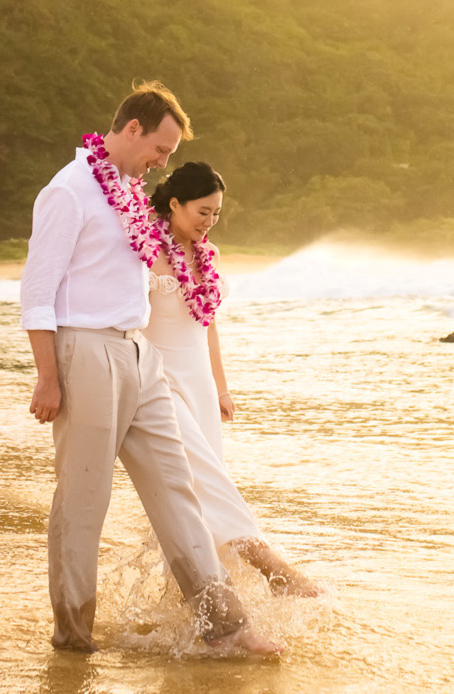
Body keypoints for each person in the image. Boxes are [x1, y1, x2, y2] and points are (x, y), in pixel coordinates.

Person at [20, 82, 281, 656]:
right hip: (85, 349)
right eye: (160, 148)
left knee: (177, 485)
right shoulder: (68, 192)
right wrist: (47, 376)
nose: (164, 161)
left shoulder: (132, 192)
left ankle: (226, 628)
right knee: (84, 501)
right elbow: (37, 291)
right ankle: (73, 634)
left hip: (139, 353)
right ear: (132, 128)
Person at [145, 161, 322, 596]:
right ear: (174, 204)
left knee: (200, 481)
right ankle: (270, 566)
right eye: (202, 212)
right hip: (157, 378)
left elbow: (208, 324)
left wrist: (221, 387)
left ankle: (193, 593)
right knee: (200, 476)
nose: (210, 222)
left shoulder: (210, 255)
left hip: (199, 381)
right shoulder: (143, 247)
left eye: (217, 214)